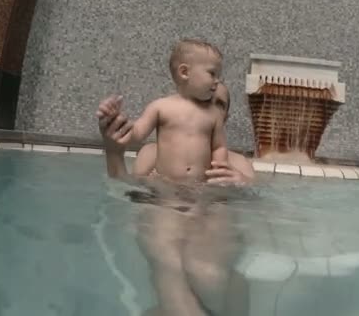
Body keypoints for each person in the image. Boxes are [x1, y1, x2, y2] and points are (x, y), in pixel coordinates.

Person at [98, 83, 253, 316]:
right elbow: (122, 188)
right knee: (168, 255)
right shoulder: (152, 154)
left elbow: (256, 208)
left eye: (216, 103)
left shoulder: (238, 163)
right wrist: (113, 151)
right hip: (164, 214)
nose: (205, 107)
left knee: (207, 273)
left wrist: (241, 184)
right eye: (199, 101)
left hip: (214, 218)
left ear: (225, 117)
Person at [96, 39, 229, 184]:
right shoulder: (161, 107)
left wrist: (219, 169)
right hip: (166, 184)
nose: (217, 81)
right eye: (212, 74)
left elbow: (219, 146)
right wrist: (117, 121)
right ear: (184, 72)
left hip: (199, 186)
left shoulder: (214, 115)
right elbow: (137, 133)